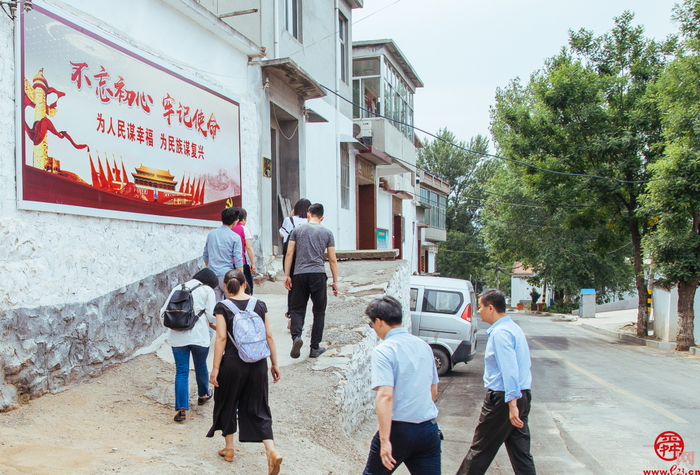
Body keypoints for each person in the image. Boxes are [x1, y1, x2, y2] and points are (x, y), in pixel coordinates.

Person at [207, 269, 283, 475]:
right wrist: (274, 364)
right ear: (245, 284)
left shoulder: (222, 306)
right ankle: (271, 451)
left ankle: (229, 449)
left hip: (233, 364)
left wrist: (215, 369)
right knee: (259, 406)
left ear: (225, 286)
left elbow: (221, 338)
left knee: (227, 401)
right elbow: (269, 335)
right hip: (258, 362)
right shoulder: (259, 304)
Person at [456, 289, 536, 475]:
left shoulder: (501, 333)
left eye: (481, 306)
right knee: (521, 453)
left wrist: (512, 403)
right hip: (521, 395)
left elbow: (510, 370)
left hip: (504, 399)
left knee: (480, 449)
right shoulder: (514, 328)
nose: (478, 311)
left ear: (491, 308)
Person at [362, 295, 441, 475]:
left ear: (379, 322)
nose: (373, 328)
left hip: (399, 429)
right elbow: (433, 390)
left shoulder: (384, 350)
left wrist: (384, 440)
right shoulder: (424, 346)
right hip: (428, 429)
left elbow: (385, 395)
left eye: (371, 324)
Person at [159, 268, 218, 423]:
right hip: (199, 336)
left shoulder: (177, 288)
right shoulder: (207, 290)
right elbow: (212, 316)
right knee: (200, 365)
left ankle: (181, 410)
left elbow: (162, 313)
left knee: (182, 372)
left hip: (177, 337)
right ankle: (203, 395)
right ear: (210, 283)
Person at [284, 203, 338, 358]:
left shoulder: (297, 230)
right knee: (319, 311)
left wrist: (287, 275)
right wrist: (335, 281)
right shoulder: (327, 233)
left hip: (299, 275)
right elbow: (332, 260)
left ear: (308, 215)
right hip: (318, 274)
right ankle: (314, 348)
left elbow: (289, 254)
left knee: (298, 309)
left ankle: (297, 337)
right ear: (321, 218)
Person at [279, 198, 311, 328]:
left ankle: (291, 315)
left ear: (295, 208)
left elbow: (282, 234)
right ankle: (300, 319)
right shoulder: (310, 221)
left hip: (291, 255)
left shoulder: (289, 220)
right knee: (304, 289)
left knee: (291, 286)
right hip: (306, 257)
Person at [203, 207, 244, 301]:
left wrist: (212, 267)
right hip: (228, 277)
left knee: (216, 309)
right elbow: (238, 260)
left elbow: (205, 256)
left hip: (213, 276)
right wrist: (241, 280)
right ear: (234, 222)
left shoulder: (211, 234)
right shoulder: (235, 237)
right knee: (234, 305)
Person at [238, 208, 257, 295]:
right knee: (247, 285)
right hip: (241, 261)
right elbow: (249, 247)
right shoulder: (244, 229)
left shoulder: (229, 228)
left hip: (229, 262)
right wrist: (253, 264)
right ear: (243, 219)